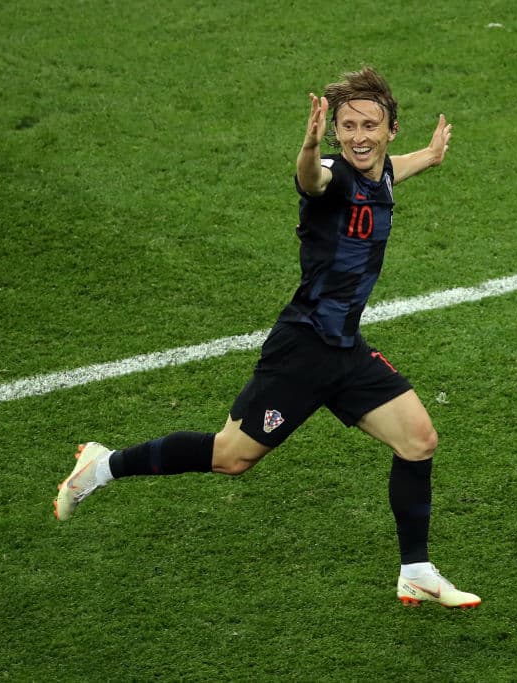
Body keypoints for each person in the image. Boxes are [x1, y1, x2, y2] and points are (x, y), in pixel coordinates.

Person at [54, 67, 480, 609]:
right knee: (232, 458)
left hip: (345, 347)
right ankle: (101, 466)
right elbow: (312, 178)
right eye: (347, 126)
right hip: (302, 347)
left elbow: (395, 168)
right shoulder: (332, 174)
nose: (358, 136)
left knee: (419, 439)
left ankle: (416, 570)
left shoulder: (383, 171)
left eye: (370, 125)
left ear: (390, 128)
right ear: (334, 134)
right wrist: (307, 145)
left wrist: (432, 155)